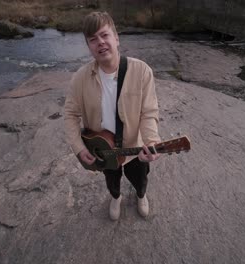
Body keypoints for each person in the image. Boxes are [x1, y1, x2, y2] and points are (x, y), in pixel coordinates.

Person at [64, 11, 160, 220]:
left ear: (116, 38)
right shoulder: (80, 78)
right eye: (93, 39)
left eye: (104, 35)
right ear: (89, 46)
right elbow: (70, 114)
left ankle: (141, 195)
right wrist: (79, 149)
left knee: (140, 177)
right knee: (111, 180)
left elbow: (149, 112)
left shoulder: (142, 71)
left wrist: (152, 140)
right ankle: (115, 197)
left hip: (135, 148)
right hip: (103, 148)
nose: (100, 42)